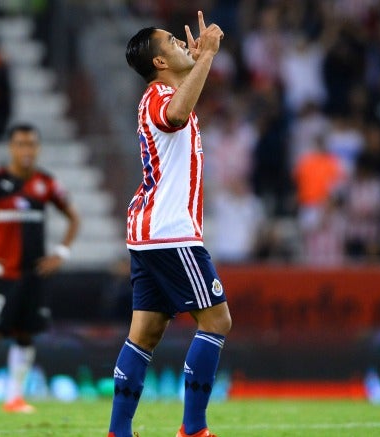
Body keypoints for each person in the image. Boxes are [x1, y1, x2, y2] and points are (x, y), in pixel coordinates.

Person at [109, 12, 231, 437]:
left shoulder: (166, 94)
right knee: (217, 322)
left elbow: (182, 107)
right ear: (159, 62)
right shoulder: (158, 97)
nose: (183, 43)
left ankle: (118, 432)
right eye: (172, 43)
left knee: (145, 332)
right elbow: (176, 115)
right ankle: (194, 430)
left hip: (150, 232)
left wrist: (196, 66)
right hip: (170, 231)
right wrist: (207, 58)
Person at [0, 123, 80, 413]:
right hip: (2, 273)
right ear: (11, 147)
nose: (27, 150)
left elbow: (73, 216)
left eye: (31, 144)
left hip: (33, 275)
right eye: (21, 144)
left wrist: (61, 252)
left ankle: (15, 397)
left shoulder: (45, 183)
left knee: (25, 335)